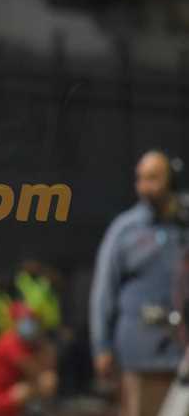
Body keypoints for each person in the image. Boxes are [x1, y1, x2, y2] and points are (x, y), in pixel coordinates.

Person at [90, 150, 186, 416]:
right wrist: (102, 346)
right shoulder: (125, 230)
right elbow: (103, 292)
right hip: (142, 353)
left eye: (153, 178)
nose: (144, 187)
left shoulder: (183, 224)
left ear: (172, 181)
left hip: (183, 354)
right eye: (140, 179)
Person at [0, 302, 57, 416]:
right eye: (24, 320)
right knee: (28, 389)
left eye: (31, 319)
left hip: (10, 396)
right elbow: (35, 372)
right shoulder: (9, 342)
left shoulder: (25, 343)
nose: (29, 324)